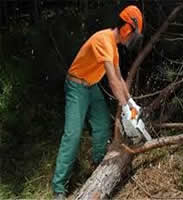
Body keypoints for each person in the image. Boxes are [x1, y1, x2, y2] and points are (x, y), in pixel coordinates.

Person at [52, 5, 144, 200]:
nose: (131, 39)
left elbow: (119, 77)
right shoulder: (104, 40)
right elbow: (111, 80)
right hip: (77, 86)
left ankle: (97, 164)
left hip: (91, 86)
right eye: (132, 34)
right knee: (73, 134)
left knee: (102, 125)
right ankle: (59, 187)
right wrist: (125, 108)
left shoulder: (114, 47)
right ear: (127, 28)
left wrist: (131, 102)